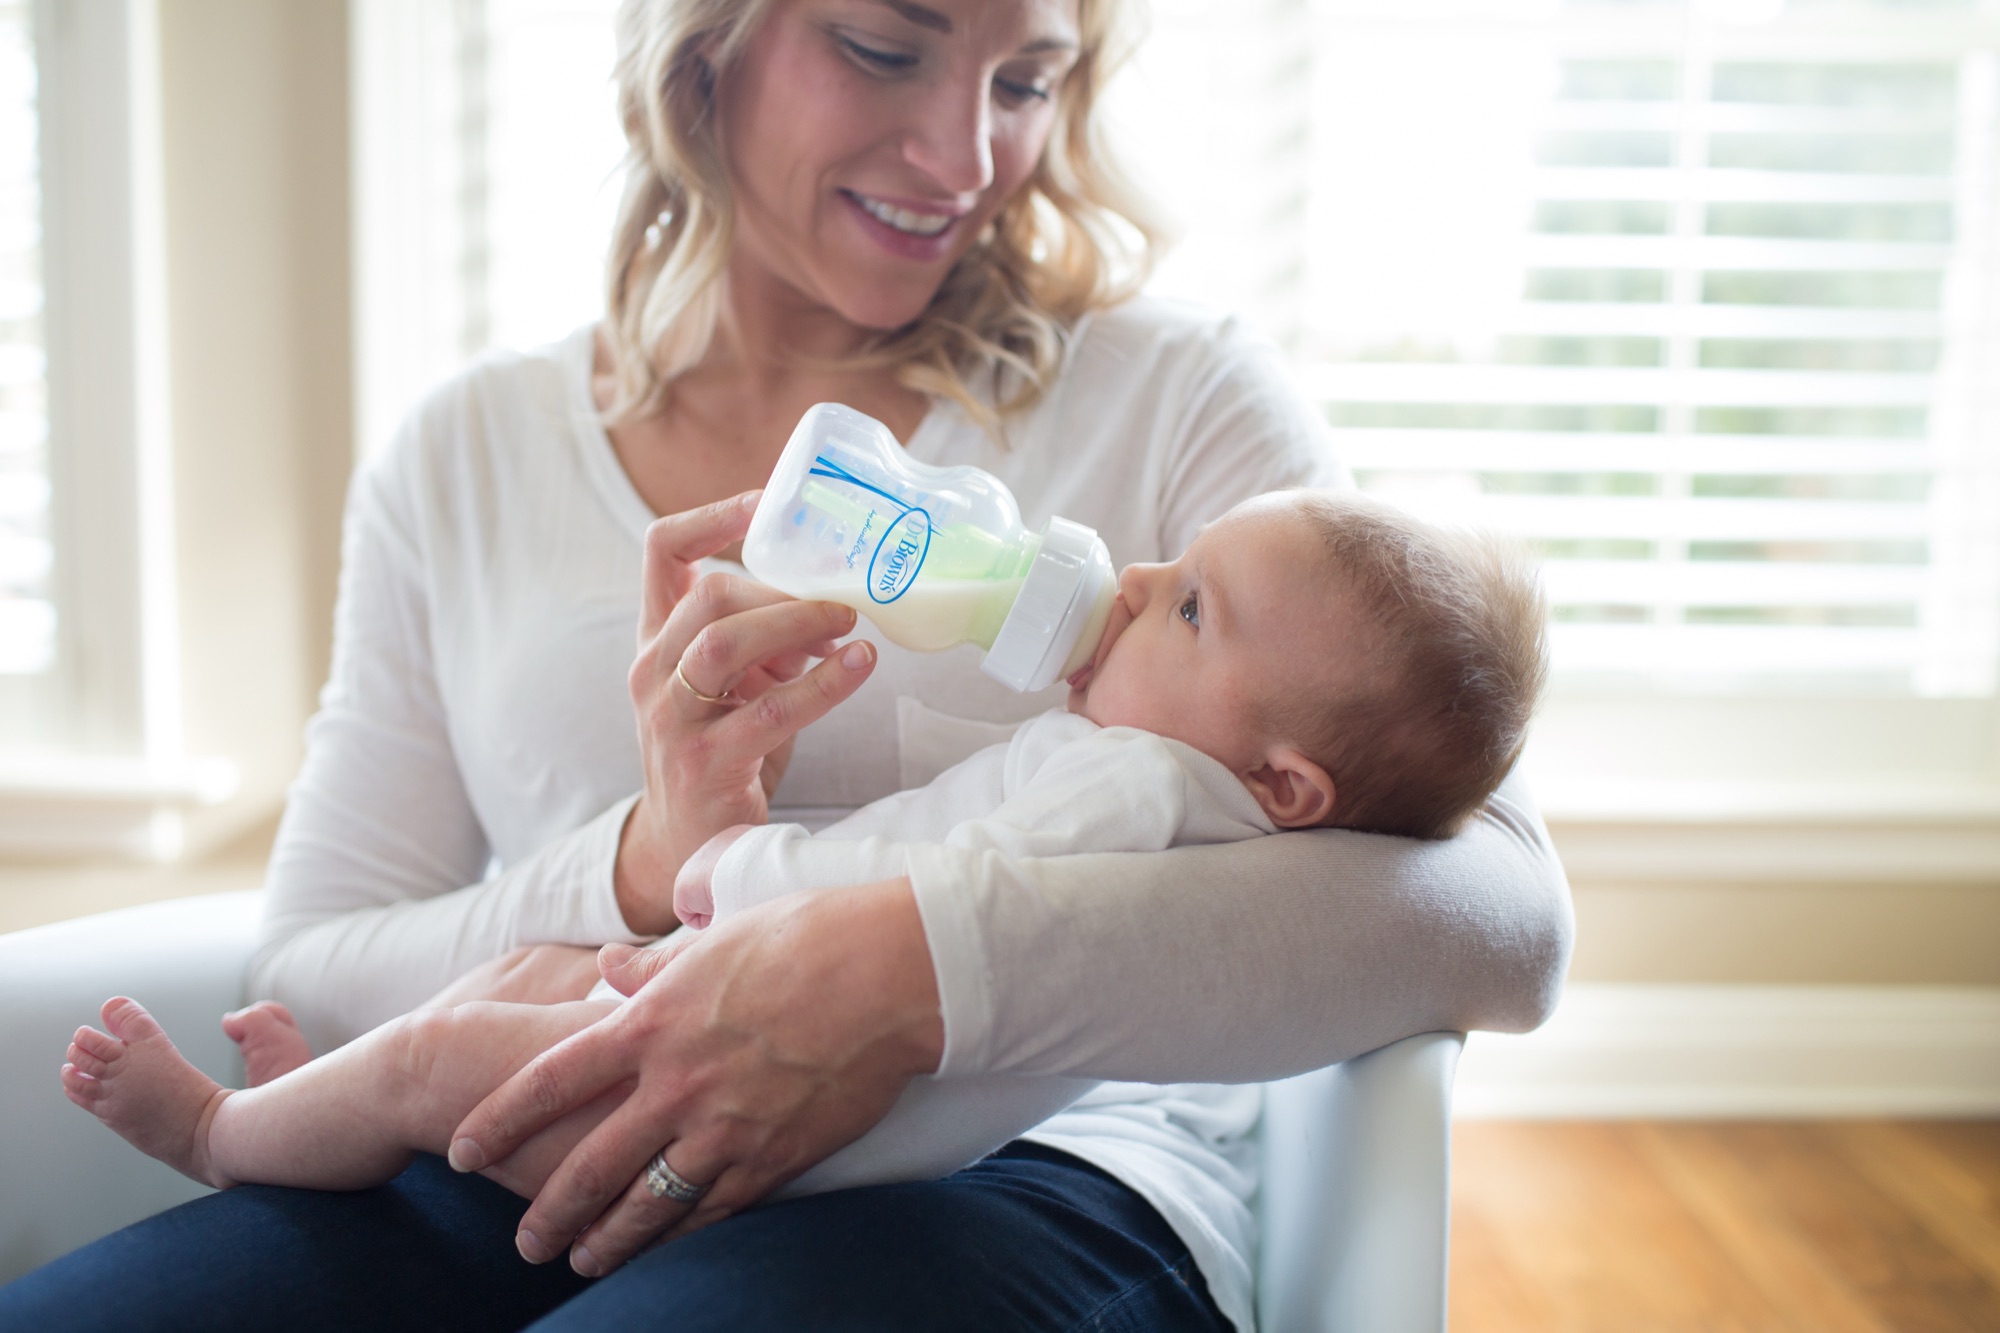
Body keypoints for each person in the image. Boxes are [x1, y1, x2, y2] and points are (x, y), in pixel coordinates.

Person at [0, 1, 1571, 1329]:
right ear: (713, 42)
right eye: (886, 45)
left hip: (1046, 1172)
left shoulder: (1179, 396)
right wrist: (647, 862)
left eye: (1024, 80)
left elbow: (1499, 910)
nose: (966, 158)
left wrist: (900, 975)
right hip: (554, 1123)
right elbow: (312, 965)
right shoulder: (467, 455)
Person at [59, 489, 1548, 1214]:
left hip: (768, 1126)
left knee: (424, 1061)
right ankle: (317, 1109)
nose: (1140, 574)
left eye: (1194, 610)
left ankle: (220, 1136)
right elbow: (928, 853)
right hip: (722, 1019)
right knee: (506, 980)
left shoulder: (1141, 791)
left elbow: (928, 898)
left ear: (1288, 780)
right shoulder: (1153, 769)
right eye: (881, 44)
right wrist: (661, 850)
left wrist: (736, 869)